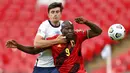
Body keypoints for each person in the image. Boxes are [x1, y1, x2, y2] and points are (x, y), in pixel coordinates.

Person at [6, 17, 102, 73]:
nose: (69, 31)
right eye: (66, 29)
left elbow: (98, 31)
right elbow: (34, 50)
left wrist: (86, 22)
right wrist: (18, 46)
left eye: (71, 29)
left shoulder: (78, 35)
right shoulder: (54, 41)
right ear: (61, 30)